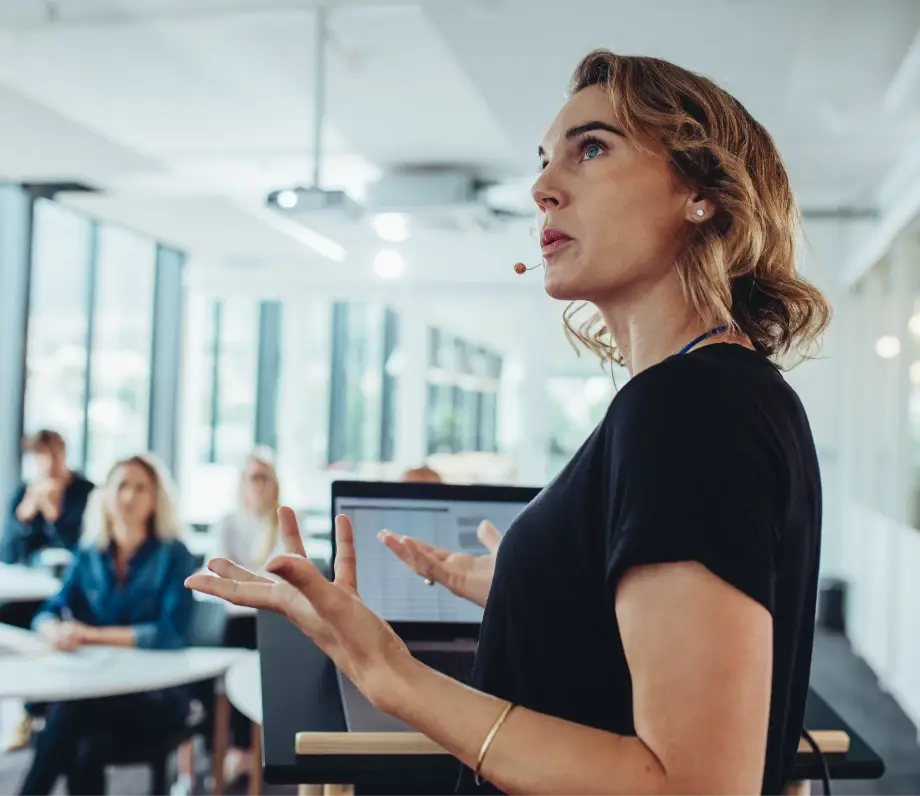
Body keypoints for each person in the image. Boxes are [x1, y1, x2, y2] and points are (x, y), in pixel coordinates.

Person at [187, 49, 830, 796]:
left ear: (702, 193)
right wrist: (534, 591)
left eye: (592, 148)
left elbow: (690, 785)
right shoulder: (724, 394)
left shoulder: (687, 411)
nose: (542, 188)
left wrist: (388, 672)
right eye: (545, 159)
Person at [15, 453, 198, 796]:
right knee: (85, 745)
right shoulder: (89, 553)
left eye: (141, 488)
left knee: (70, 715)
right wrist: (54, 630)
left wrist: (90, 635)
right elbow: (48, 612)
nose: (129, 496)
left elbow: (171, 633)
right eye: (122, 486)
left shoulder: (174, 554)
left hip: (155, 694)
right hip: (99, 690)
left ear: (156, 497)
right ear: (106, 494)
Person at [207, 448, 282, 783]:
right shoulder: (227, 522)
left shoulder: (283, 523)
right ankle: (240, 749)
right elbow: (221, 578)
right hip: (240, 620)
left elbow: (283, 577)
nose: (259, 485)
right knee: (238, 645)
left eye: (265, 478)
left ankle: (260, 747)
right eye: (254, 477)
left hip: (271, 617)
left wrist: (247, 583)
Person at [0, 429, 93, 568]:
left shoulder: (87, 492)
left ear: (65, 454)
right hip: (31, 579)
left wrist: (55, 518)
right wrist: (23, 519)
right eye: (42, 455)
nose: (49, 462)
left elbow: (88, 549)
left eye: (55, 454)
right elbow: (6, 554)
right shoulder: (23, 493)